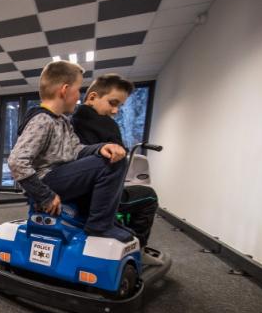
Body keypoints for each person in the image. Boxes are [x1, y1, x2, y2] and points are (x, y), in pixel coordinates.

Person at [8, 61, 133, 242]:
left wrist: (101, 148)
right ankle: (99, 227)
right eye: (77, 90)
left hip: (59, 177)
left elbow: (76, 150)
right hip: (47, 181)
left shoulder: (63, 122)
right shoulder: (42, 120)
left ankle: (102, 221)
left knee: (110, 156)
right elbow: (17, 161)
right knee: (112, 164)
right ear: (65, 90)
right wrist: (45, 196)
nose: (78, 96)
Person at [71, 74, 159, 252]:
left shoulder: (71, 120)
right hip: (95, 196)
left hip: (75, 189)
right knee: (148, 195)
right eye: (113, 103)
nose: (115, 111)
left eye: (119, 106)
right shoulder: (106, 124)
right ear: (93, 97)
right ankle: (138, 249)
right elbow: (117, 157)